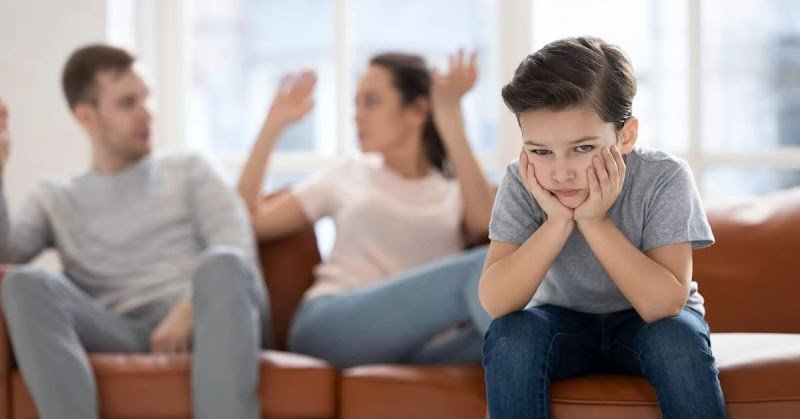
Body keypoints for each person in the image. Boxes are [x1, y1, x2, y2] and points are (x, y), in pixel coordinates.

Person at [0, 44, 268, 419]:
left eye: (147, 98)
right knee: (22, 283)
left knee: (225, 262)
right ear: (86, 117)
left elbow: (237, 249)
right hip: (120, 329)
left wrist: (189, 307)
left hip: (210, 321)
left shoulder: (190, 169)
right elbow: (4, 258)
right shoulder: (55, 197)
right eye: (128, 103)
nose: (147, 113)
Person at [479, 37, 726, 419]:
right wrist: (558, 220)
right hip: (563, 321)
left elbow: (664, 304)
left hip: (648, 322)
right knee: (512, 335)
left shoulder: (665, 177)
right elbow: (496, 301)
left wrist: (594, 221)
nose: (561, 173)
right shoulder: (523, 180)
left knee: (676, 337)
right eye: (541, 151)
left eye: (583, 149)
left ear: (625, 136)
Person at [237, 50, 495, 368]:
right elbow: (248, 221)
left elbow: (484, 221)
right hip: (333, 324)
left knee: (505, 339)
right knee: (486, 268)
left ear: (417, 111)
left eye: (371, 102)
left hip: (420, 348)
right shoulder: (348, 172)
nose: (357, 115)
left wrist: (449, 112)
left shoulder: (454, 192)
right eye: (355, 103)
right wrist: (272, 126)